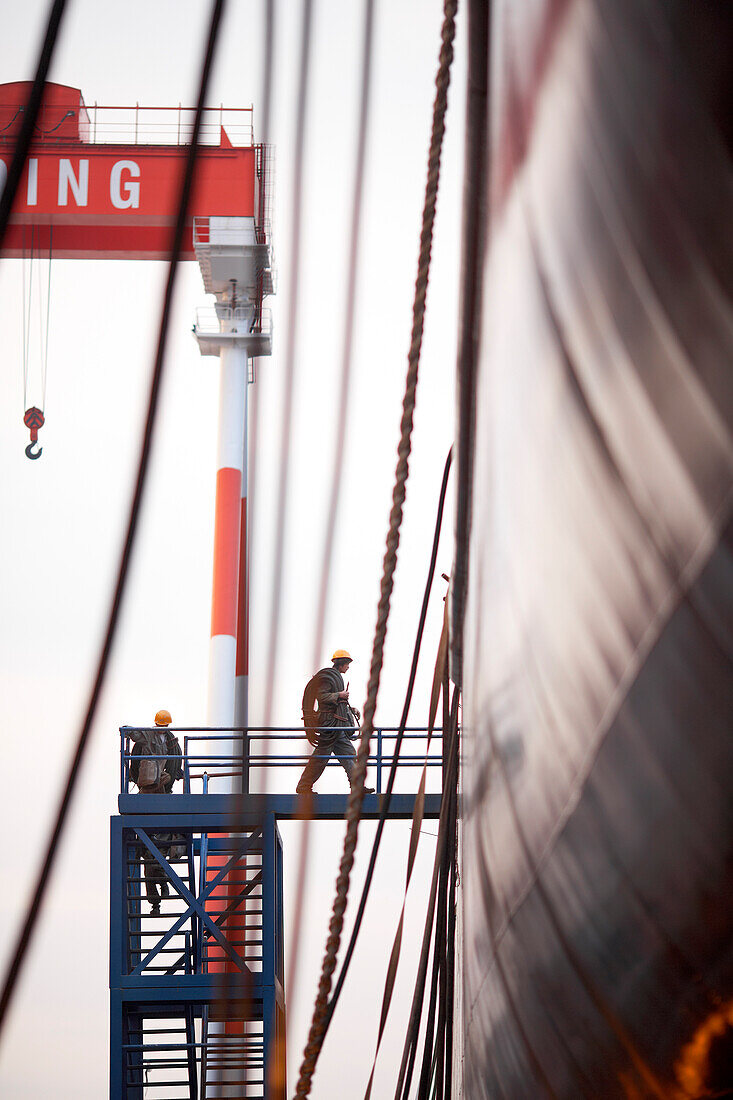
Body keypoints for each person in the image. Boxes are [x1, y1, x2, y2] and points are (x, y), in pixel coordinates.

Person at [128, 709, 185, 915]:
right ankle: (160, 892)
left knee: (153, 857)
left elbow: (175, 765)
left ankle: (159, 893)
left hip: (157, 800)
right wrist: (127, 731)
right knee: (151, 858)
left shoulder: (171, 743)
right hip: (151, 797)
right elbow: (135, 738)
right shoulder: (152, 738)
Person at [296, 650, 375, 795]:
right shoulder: (327, 678)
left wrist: (352, 710)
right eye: (347, 664)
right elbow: (322, 697)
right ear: (341, 663)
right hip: (330, 727)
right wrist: (339, 694)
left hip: (337, 728)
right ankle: (303, 786)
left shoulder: (337, 678)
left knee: (350, 755)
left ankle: (357, 787)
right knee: (320, 759)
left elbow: (338, 703)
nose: (348, 667)